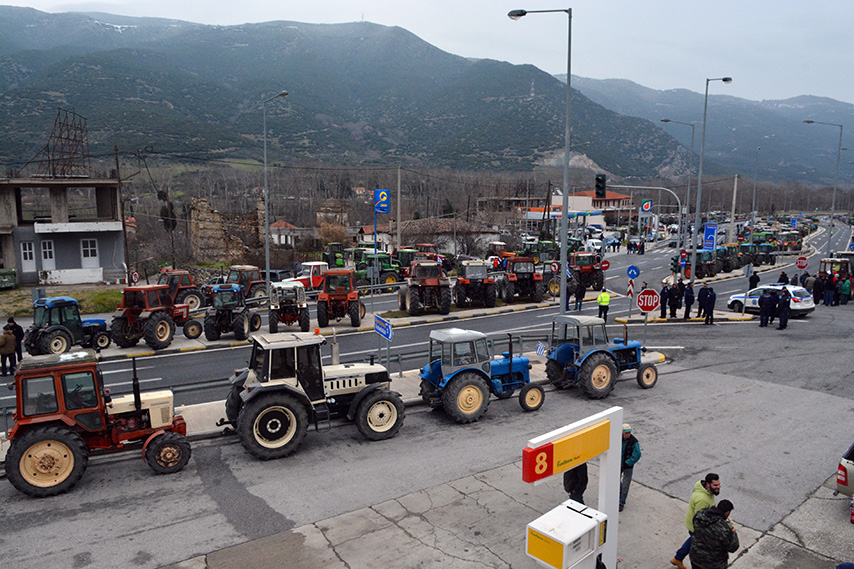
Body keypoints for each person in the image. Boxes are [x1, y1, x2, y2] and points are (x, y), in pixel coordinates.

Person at [670, 473, 721, 569]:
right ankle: (678, 558)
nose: (718, 487)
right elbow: (701, 519)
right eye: (715, 485)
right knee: (696, 544)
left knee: (692, 541)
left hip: (693, 523)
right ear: (708, 484)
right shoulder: (703, 500)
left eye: (718, 484)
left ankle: (677, 558)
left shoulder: (706, 491)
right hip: (696, 527)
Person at [689, 499, 739, 569]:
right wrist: (733, 532)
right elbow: (733, 547)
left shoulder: (699, 516)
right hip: (713, 564)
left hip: (696, 558)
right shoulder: (724, 529)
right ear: (727, 513)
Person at [619, 423, 641, 512]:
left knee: (626, 485)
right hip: (619, 465)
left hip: (628, 466)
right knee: (616, 481)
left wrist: (628, 463)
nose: (628, 434)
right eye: (626, 433)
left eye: (629, 433)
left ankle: (621, 502)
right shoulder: (618, 438)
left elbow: (637, 454)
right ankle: (620, 493)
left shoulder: (633, 441)